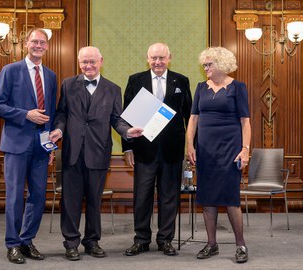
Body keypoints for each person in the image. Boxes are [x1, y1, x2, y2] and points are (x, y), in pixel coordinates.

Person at [49, 46, 143, 261]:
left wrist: (127, 131)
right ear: (79, 63)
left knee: (94, 200)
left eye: (92, 62)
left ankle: (92, 241)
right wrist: (59, 129)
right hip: (72, 151)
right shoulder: (68, 84)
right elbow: (62, 113)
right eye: (84, 62)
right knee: (70, 201)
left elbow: (116, 119)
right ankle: (71, 243)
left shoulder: (113, 88)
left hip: (99, 151)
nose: (88, 66)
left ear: (101, 61)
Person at [0, 28, 57, 264]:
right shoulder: (10, 70)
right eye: (34, 41)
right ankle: (12, 244)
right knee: (15, 196)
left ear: (47, 46)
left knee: (38, 196)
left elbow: (51, 113)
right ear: (26, 44)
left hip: (40, 148)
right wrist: (25, 114)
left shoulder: (50, 76)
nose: (38, 45)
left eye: (43, 42)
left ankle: (27, 240)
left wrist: (50, 147)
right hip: (16, 145)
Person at [122, 43, 192, 256]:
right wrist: (128, 149)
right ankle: (141, 239)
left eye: (162, 58)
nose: (158, 62)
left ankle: (165, 239)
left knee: (169, 196)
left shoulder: (181, 80)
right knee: (142, 196)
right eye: (154, 58)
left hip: (172, 150)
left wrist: (191, 146)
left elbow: (190, 116)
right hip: (144, 150)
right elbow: (126, 117)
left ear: (169, 57)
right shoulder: (136, 80)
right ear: (147, 58)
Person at [186, 47, 251, 263]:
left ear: (221, 65)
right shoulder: (200, 88)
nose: (205, 68)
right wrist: (190, 146)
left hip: (230, 150)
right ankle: (211, 244)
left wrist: (245, 149)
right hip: (206, 151)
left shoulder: (237, 87)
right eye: (204, 65)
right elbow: (193, 119)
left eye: (209, 64)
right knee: (207, 199)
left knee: (231, 199)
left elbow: (245, 122)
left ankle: (240, 245)